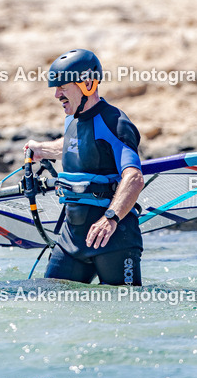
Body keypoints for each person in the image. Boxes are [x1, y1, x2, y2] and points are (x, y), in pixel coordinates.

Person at [25, 49, 144, 285]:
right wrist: (43, 149)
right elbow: (77, 145)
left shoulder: (116, 123)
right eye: (56, 88)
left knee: (125, 310)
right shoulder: (72, 119)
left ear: (87, 84)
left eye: (63, 87)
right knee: (50, 302)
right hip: (72, 239)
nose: (57, 95)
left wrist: (110, 218)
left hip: (113, 239)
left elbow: (134, 178)